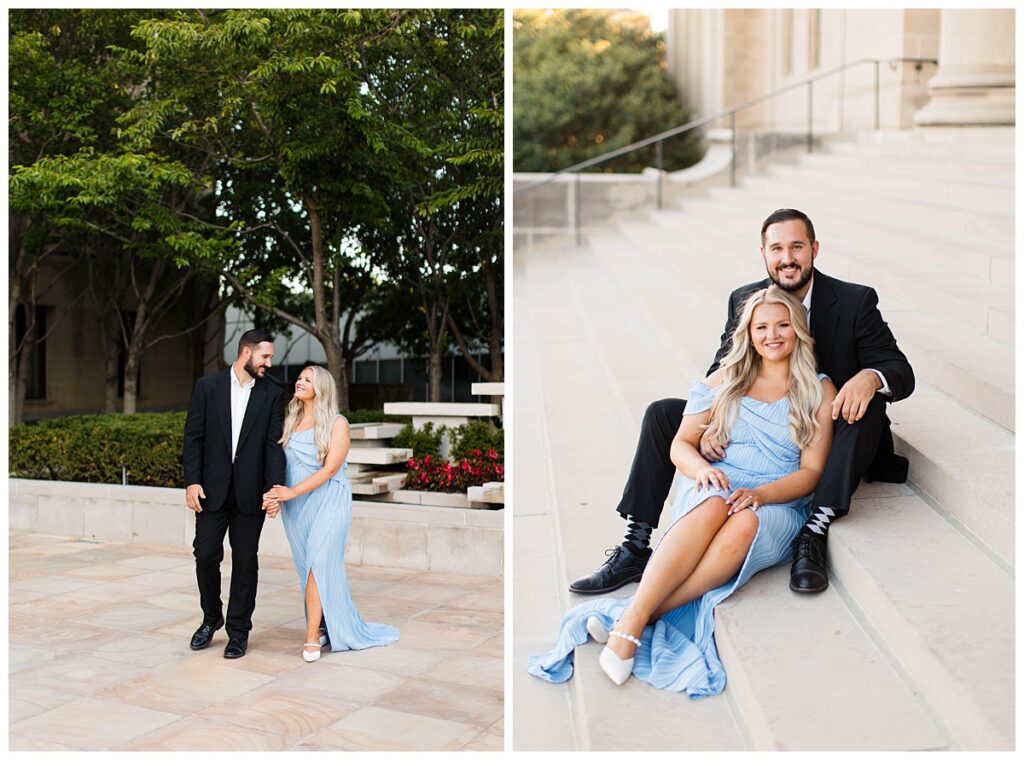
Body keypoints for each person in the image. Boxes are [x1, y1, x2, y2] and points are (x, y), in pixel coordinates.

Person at [570, 208, 914, 596]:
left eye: (797, 247)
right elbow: (725, 366)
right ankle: (636, 544)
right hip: (766, 419)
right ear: (764, 253)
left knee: (864, 411)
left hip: (824, 421)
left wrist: (869, 378)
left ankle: (813, 532)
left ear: (814, 249)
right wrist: (711, 423)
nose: (788, 258)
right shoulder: (744, 299)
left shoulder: (854, 301)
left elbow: (898, 368)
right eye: (777, 248)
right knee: (663, 414)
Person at [530, 286, 836, 693]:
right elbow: (679, 444)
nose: (772, 335)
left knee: (745, 521)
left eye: (782, 325)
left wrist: (763, 495)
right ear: (748, 333)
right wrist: (701, 469)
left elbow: (812, 471)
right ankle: (635, 619)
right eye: (762, 326)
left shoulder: (818, 390)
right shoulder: (726, 379)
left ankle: (634, 618)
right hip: (718, 483)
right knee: (714, 505)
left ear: (798, 329)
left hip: (777, 500)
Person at [263, 364, 399, 662]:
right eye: (299, 378)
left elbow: (331, 469)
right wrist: (276, 497)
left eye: (307, 379)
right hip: (297, 507)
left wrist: (291, 492)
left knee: (317, 565)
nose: (300, 382)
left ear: (321, 388)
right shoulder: (290, 421)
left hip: (328, 501)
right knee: (306, 568)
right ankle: (324, 625)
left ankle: (311, 636)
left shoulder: (337, 423)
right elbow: (279, 466)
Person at [183, 329, 285, 659]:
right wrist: (192, 481)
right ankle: (211, 617)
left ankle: (238, 631)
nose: (269, 362)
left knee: (245, 562)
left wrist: (273, 490)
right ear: (245, 352)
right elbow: (193, 437)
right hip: (211, 490)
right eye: (265, 356)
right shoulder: (207, 387)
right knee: (206, 554)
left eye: (270, 356)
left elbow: (273, 447)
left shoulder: (271, 393)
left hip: (250, 494)